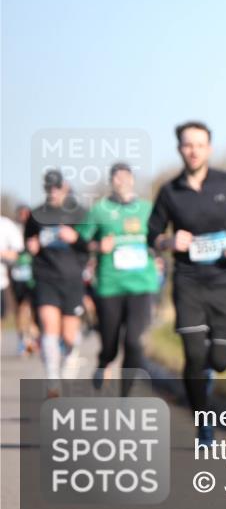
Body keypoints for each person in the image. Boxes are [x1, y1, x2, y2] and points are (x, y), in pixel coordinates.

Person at [147, 121, 226, 445]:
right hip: (189, 281)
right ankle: (203, 422)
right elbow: (152, 236)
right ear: (180, 149)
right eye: (187, 145)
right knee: (194, 355)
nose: (193, 151)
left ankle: (208, 377)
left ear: (209, 148)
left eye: (199, 144)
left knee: (220, 361)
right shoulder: (169, 192)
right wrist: (170, 242)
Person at [77, 163, 160, 396]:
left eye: (126, 176)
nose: (122, 181)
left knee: (134, 341)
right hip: (110, 286)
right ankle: (104, 362)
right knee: (110, 344)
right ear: (111, 182)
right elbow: (80, 241)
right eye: (117, 177)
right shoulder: (99, 210)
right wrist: (97, 246)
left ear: (132, 180)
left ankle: (125, 392)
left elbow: (159, 237)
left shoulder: (147, 209)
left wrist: (159, 251)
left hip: (142, 285)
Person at [24, 171, 89, 396]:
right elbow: (28, 241)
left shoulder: (79, 213)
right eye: (48, 187)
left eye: (56, 187)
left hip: (72, 279)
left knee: (69, 336)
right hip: (46, 277)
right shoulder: (36, 214)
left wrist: (76, 238)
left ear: (65, 187)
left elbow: (90, 244)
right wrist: (31, 246)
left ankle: (71, 356)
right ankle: (52, 379)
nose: (53, 191)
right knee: (49, 327)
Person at [8, 206, 38, 356]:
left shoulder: (35, 229)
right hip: (18, 276)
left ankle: (33, 338)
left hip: (33, 276)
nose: (24, 216)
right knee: (20, 308)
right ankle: (23, 339)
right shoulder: (14, 230)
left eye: (27, 214)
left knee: (32, 307)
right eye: (21, 214)